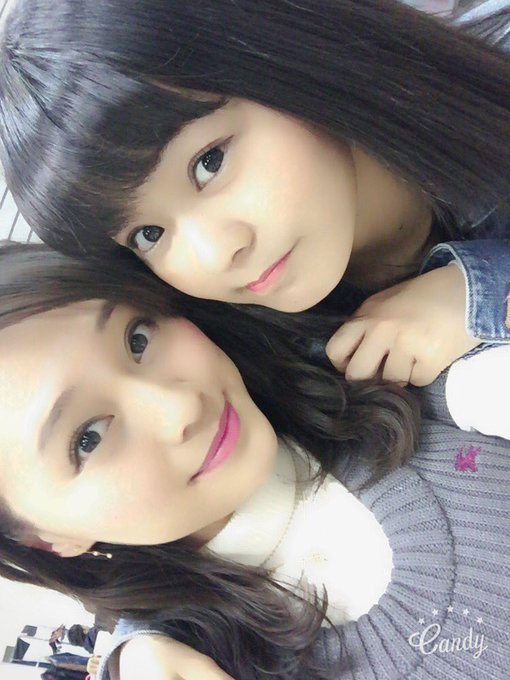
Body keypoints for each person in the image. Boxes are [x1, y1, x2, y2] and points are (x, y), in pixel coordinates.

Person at [0, 242, 508, 680]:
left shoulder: (382, 376)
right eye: (88, 438)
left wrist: (477, 294)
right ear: (47, 539)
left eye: (138, 338)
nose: (180, 406)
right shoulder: (201, 660)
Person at [1, 0, 510, 389]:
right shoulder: (279, 369)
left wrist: (479, 296)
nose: (214, 254)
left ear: (283, 60)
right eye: (148, 234)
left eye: (209, 163)